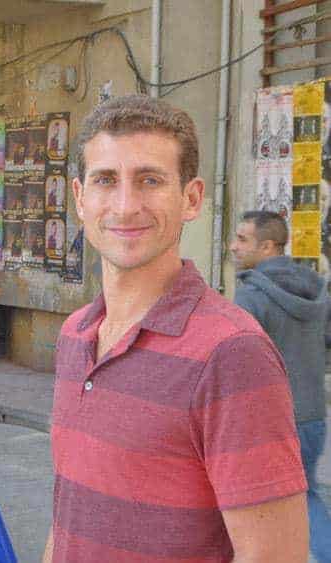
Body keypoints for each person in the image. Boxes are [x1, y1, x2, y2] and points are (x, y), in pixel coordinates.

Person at [45, 95, 308, 563]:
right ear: (80, 198)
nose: (125, 207)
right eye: (106, 180)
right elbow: (67, 518)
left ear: (191, 199)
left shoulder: (231, 353)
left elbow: (275, 555)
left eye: (149, 180)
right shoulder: (75, 335)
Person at [230, 210, 331, 562]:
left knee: (244, 501)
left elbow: (237, 364)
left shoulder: (250, 297)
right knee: (305, 494)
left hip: (271, 421)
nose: (233, 246)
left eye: (242, 239)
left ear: (269, 246)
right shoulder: (316, 288)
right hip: (314, 416)